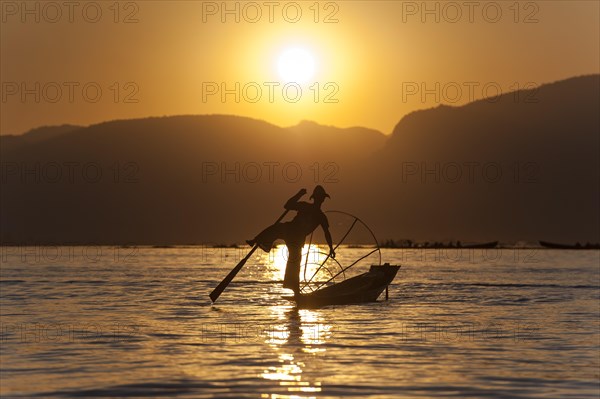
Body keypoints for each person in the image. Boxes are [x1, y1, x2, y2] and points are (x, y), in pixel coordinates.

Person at [247, 186, 335, 295]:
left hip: (297, 238)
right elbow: (287, 205)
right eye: (318, 197)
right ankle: (256, 240)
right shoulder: (305, 206)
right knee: (275, 228)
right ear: (315, 198)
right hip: (289, 230)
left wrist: (331, 248)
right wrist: (299, 194)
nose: (319, 199)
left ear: (322, 199)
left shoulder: (321, 216)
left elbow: (327, 233)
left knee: (294, 262)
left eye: (320, 198)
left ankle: (295, 290)